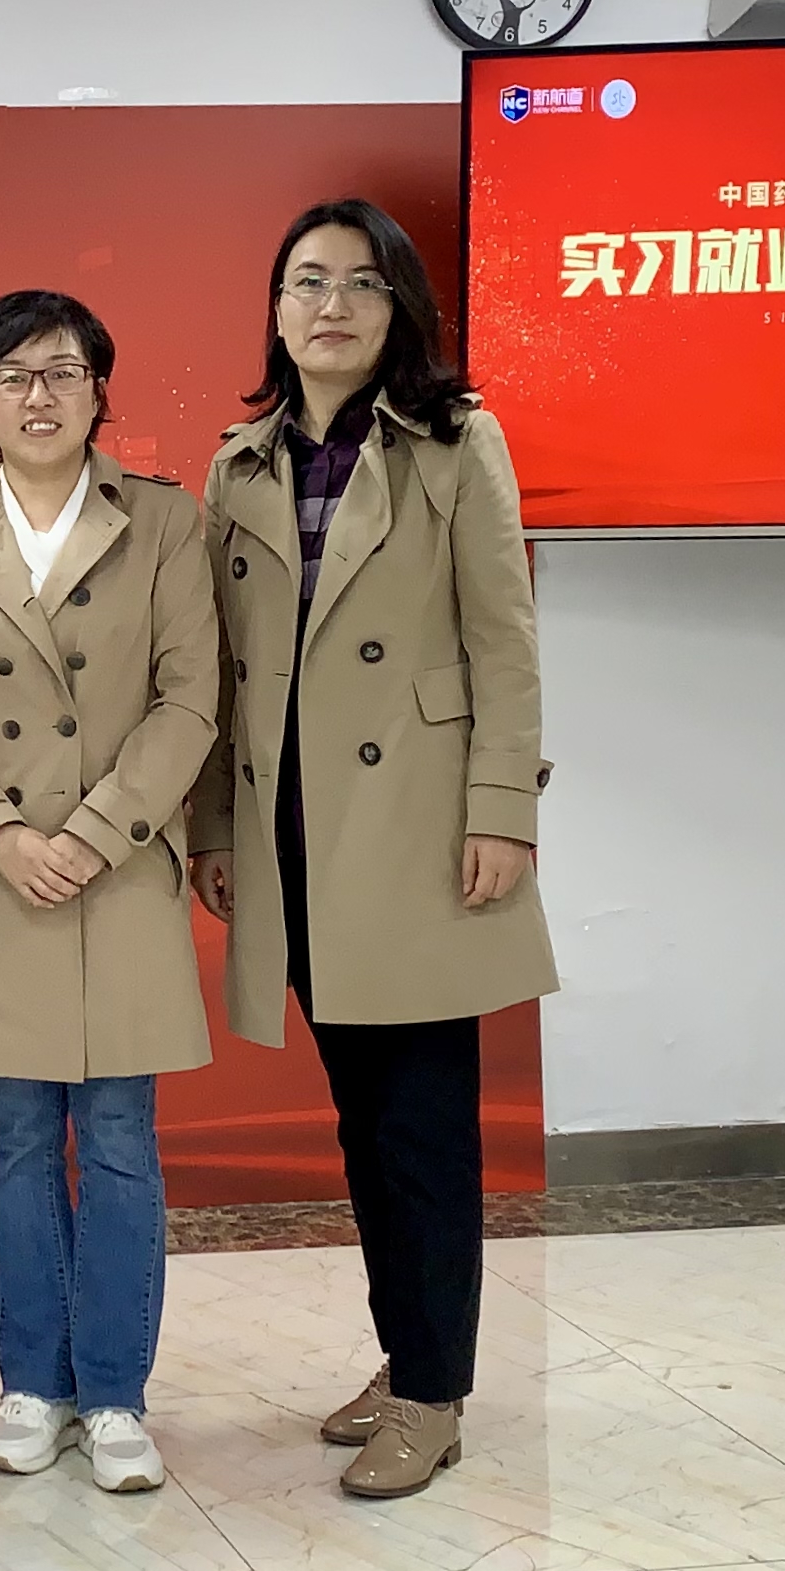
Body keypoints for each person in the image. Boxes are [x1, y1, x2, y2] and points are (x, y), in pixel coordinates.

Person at [184, 198, 558, 1500]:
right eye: (305, 281)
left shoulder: (455, 441)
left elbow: (503, 634)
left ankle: (434, 1394)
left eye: (358, 282)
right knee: (362, 1122)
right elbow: (222, 672)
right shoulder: (239, 463)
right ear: (275, 309)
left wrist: (500, 805)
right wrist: (215, 826)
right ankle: (407, 1355)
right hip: (293, 833)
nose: (329, 305)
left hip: (414, 827)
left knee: (421, 1128)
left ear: (399, 307)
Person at [0, 291, 219, 1495]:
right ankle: (33, 1385)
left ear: (98, 391)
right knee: (18, 1139)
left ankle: (117, 1396)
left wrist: (91, 832)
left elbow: (191, 699)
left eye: (64, 371)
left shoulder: (164, 521)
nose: (40, 396)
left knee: (120, 1138)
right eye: (13, 375)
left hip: (119, 870)